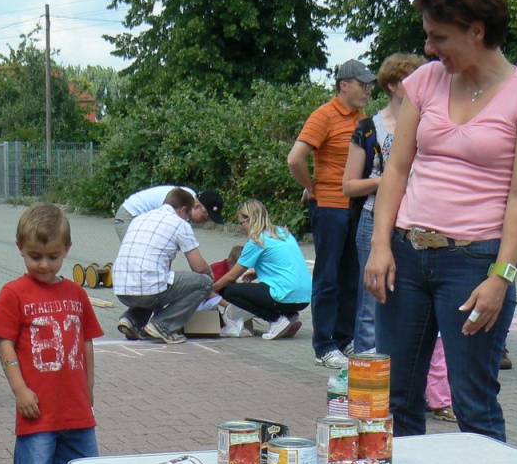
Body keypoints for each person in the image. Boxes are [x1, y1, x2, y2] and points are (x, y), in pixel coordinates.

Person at [364, 0, 517, 441]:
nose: (429, 48)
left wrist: (501, 277)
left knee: (472, 399)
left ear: (477, 30)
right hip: (406, 256)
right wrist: (380, 245)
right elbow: (396, 169)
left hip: (474, 264)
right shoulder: (426, 82)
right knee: (397, 398)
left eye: (439, 37)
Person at [0, 204, 102, 464]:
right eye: (35, 256)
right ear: (20, 247)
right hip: (37, 406)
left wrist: (89, 387)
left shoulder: (77, 294)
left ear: (67, 249)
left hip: (75, 405)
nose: (45, 265)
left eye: (53, 256)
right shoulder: (14, 293)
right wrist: (20, 389)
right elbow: (4, 343)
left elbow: (86, 342)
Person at [288, 59, 374, 368]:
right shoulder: (323, 116)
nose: (368, 90)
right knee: (328, 277)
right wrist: (312, 187)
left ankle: (344, 337)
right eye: (363, 85)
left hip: (356, 206)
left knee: (352, 275)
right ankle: (323, 344)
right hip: (330, 207)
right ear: (343, 85)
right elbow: (295, 159)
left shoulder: (363, 118)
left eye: (369, 85)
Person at [343, 53, 425, 353]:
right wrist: (391, 179)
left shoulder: (429, 124)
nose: (421, 86)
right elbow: (349, 185)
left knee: (412, 301)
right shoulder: (368, 129)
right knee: (371, 302)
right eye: (411, 81)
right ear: (393, 85)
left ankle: (402, 379)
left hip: (416, 222)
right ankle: (368, 384)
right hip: (373, 218)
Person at [112, 187, 213, 344]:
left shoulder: (140, 218)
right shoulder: (180, 224)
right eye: (187, 216)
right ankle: (163, 325)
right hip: (148, 288)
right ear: (184, 209)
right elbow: (198, 268)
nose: (188, 220)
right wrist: (210, 273)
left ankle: (132, 319)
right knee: (203, 283)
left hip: (120, 288)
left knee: (156, 281)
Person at [211, 200, 311, 339]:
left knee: (229, 291)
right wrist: (257, 273)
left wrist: (212, 289)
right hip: (304, 297)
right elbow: (285, 263)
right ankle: (288, 316)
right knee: (259, 289)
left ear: (249, 220)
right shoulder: (282, 232)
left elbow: (231, 277)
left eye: (241, 223)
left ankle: (275, 319)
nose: (241, 228)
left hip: (284, 294)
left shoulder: (256, 240)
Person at [112, 185, 223, 240]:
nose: (204, 222)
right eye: (205, 218)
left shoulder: (188, 200)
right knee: (137, 250)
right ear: (198, 206)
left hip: (143, 218)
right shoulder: (181, 201)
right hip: (129, 215)